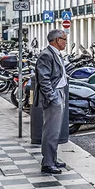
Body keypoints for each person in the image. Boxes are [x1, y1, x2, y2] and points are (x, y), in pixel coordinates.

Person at [35, 29, 69, 174]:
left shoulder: (56, 54)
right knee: (51, 130)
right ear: (57, 40)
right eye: (64, 39)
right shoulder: (46, 55)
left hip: (59, 92)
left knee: (55, 130)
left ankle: (52, 159)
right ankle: (48, 163)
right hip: (54, 95)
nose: (66, 42)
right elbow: (44, 79)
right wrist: (52, 97)